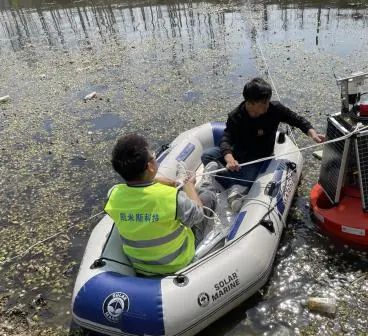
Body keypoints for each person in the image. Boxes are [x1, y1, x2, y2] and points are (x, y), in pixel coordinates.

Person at [201, 77, 325, 211]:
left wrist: (312, 133)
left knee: (250, 176)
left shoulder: (275, 109)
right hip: (238, 153)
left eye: (268, 101)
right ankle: (233, 185)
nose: (267, 105)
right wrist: (229, 157)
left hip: (259, 158)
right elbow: (226, 138)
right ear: (251, 103)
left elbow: (296, 119)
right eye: (264, 103)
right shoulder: (236, 116)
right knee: (207, 156)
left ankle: (224, 181)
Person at [104, 134, 216, 276]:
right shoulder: (171, 197)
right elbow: (198, 214)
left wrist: (173, 183)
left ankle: (183, 181)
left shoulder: (113, 194)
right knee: (206, 197)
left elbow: (139, 187)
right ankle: (207, 181)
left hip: (140, 265)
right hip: (177, 261)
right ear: (150, 166)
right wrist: (188, 185)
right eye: (153, 155)